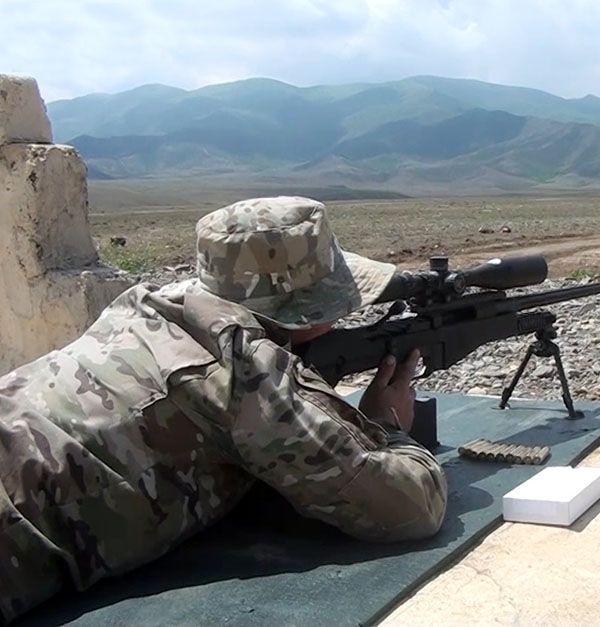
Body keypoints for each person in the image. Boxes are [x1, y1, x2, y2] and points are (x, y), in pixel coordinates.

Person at [0, 196, 448, 623]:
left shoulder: (147, 306)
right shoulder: (244, 375)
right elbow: (409, 506)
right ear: (304, 306)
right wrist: (388, 426)